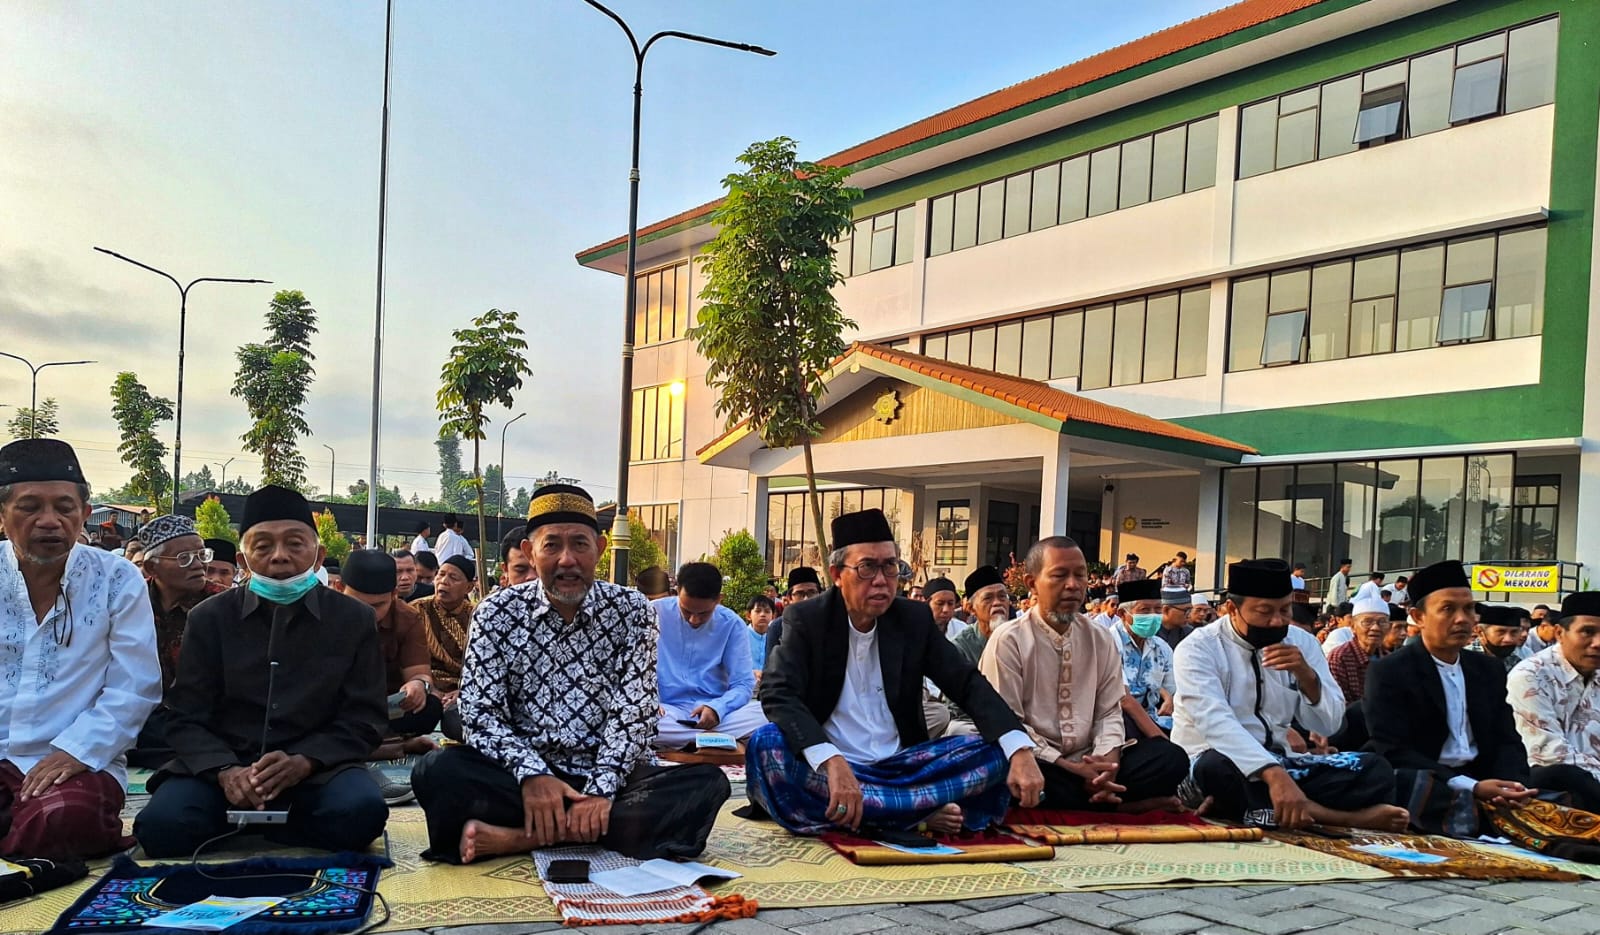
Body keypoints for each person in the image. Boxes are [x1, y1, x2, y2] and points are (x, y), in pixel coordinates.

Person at [411, 484, 729, 863]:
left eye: (580, 544)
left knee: (707, 783)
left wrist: (600, 790)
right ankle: (590, 829)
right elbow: (479, 713)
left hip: (612, 774)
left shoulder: (633, 611)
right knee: (436, 770)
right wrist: (533, 774)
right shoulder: (495, 613)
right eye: (552, 546)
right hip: (521, 777)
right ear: (530, 551)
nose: (567, 560)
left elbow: (634, 712)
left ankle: (522, 838)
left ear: (600, 548)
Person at [749, 508, 1043, 836]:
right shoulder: (807, 619)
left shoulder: (913, 619)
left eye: (890, 566)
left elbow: (966, 682)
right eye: (867, 567)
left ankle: (878, 811)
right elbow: (777, 692)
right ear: (837, 574)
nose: (881, 580)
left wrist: (1019, 747)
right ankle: (915, 813)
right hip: (830, 767)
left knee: (997, 751)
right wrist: (830, 759)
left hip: (906, 767)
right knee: (766, 744)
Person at [133, 485, 388, 857]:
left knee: (360, 814)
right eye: (263, 545)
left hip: (317, 770)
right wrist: (226, 770)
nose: (280, 556)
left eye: (295, 544)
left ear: (318, 555)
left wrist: (304, 761)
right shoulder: (209, 617)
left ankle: (254, 821)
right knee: (161, 827)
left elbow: (365, 717)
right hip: (222, 768)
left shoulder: (353, 618)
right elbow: (185, 716)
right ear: (243, 558)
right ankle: (273, 820)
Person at [0, 439, 162, 859]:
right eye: (29, 507)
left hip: (77, 756)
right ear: (1, 515)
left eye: (64, 508)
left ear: (85, 514)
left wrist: (77, 750)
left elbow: (135, 686)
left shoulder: (117, 578)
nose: (49, 521)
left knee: (65, 816)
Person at [1173, 559, 1406, 831]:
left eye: (1285, 610)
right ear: (1232, 609)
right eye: (1265, 611)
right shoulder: (1198, 648)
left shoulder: (1301, 642)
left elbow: (1329, 724)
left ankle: (1254, 807)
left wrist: (1307, 676)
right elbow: (1215, 723)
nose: (1277, 621)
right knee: (1215, 767)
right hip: (1216, 760)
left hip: (1284, 762)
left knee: (1374, 769)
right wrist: (1273, 775)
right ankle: (1339, 817)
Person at [984, 539, 1188, 811]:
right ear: (1032, 583)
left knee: (1172, 758)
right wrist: (1069, 766)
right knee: (1001, 768)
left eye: (1080, 575)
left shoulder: (1099, 637)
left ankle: (1100, 796)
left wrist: (1109, 764)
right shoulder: (1009, 639)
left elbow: (1109, 711)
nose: (1073, 585)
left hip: (1092, 757)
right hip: (1041, 760)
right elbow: (1008, 721)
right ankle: (1119, 806)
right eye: (1059, 575)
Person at [1363, 560, 1536, 833]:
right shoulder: (1390, 671)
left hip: (1484, 778)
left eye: (1469, 609)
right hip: (1433, 780)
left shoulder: (1487, 669)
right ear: (1418, 617)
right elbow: (1392, 749)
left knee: (1562, 783)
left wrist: (1511, 785)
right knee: (1416, 790)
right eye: (1448, 609)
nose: (1462, 619)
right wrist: (1473, 787)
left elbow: (1507, 738)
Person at [340, 549, 441, 802]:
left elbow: (421, 675)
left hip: (384, 709)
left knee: (429, 707)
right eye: (359, 604)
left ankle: (373, 745)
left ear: (394, 595)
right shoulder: (324, 614)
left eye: (377, 606)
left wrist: (417, 686)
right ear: (339, 589)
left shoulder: (407, 617)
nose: (368, 614)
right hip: (338, 707)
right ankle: (394, 746)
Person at [130, 516, 226, 769]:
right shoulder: (129, 601)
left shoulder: (223, 605)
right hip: (143, 714)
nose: (199, 565)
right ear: (151, 568)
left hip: (203, 717)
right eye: (184, 558)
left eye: (201, 555)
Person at [653, 563, 766, 750]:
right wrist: (648, 701)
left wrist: (718, 708)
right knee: (638, 718)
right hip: (665, 711)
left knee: (768, 713)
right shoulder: (653, 613)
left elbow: (743, 683)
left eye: (703, 613)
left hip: (716, 713)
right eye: (687, 611)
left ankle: (682, 741)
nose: (694, 620)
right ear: (677, 592)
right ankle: (716, 740)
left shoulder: (732, 624)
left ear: (719, 600)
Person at [1507, 591, 1600, 811]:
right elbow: (1550, 754)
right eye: (1587, 632)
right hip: (1551, 790)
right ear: (1559, 633)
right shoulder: (1531, 676)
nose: (1598, 643)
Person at [941, 566, 1013, 736]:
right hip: (975, 722)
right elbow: (954, 706)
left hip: (1020, 719)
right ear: (972, 608)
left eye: (1002, 596)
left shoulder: (1023, 638)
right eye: (988, 598)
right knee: (956, 730)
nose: (997, 603)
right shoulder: (959, 647)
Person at [1325, 596, 1392, 750]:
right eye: (1367, 622)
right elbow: (1340, 705)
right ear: (1353, 627)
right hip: (1353, 732)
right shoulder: (1340, 656)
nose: (1375, 628)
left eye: (1382, 622)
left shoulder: (1389, 659)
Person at [414, 556, 477, 719]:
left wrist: (464, 692)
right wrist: (429, 688)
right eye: (440, 575)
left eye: (453, 578)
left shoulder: (479, 615)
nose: (443, 581)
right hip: (425, 686)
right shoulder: (415, 610)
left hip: (465, 689)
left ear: (469, 587)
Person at [1112, 579, 1176, 739]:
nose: (1153, 616)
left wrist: (1170, 700)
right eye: (1144, 610)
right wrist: (1161, 740)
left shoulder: (1162, 648)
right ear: (1123, 614)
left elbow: (1173, 689)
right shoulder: (1108, 643)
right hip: (1118, 721)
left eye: (1158, 609)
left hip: (1155, 718)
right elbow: (1123, 699)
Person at [762, 566, 823, 669]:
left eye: (812, 592)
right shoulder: (778, 628)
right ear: (789, 598)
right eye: (799, 594)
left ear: (821, 595)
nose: (806, 599)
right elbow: (771, 670)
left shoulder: (832, 624)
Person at [1469, 604, 1532, 672]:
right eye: (1501, 632)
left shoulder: (1518, 661)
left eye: (1514, 632)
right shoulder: (1464, 660)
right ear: (1480, 632)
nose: (1508, 639)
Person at [924, 577, 969, 642]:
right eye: (940, 604)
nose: (946, 610)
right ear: (927, 604)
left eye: (950, 603)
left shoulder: (963, 630)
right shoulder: (914, 630)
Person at [747, 595, 775, 681]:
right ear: (748, 615)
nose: (762, 615)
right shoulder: (740, 636)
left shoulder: (778, 637)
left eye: (767, 611)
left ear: (773, 616)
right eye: (758, 611)